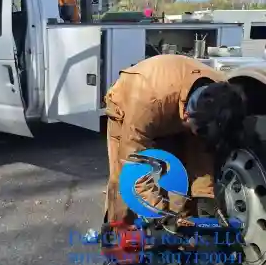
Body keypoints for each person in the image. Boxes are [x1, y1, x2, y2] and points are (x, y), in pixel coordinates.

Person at [104, 54, 247, 225]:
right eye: (199, 132)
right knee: (124, 183)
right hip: (131, 105)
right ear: (187, 116)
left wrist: (205, 198)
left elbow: (203, 154)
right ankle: (119, 235)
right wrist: (161, 215)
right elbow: (134, 172)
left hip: (171, 105)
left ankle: (180, 237)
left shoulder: (221, 96)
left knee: (179, 180)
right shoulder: (146, 102)